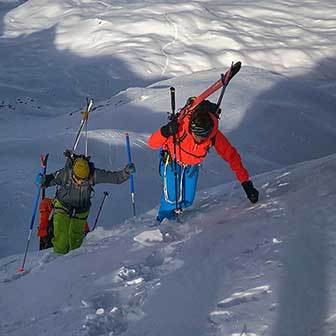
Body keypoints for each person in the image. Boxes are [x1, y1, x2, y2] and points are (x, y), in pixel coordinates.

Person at [147, 99, 259, 224]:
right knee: (172, 197)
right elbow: (152, 143)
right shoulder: (180, 127)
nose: (200, 139)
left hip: (192, 166)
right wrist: (165, 131)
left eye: (204, 136)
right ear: (191, 128)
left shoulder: (213, 135)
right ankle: (163, 222)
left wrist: (246, 183)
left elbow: (231, 156)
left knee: (187, 200)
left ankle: (175, 217)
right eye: (197, 135)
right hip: (172, 160)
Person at [39, 150, 135, 254]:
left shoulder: (93, 174)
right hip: (63, 205)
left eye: (83, 180)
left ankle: (73, 261)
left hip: (81, 209)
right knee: (61, 238)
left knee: (76, 240)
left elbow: (114, 178)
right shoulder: (65, 173)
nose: (80, 182)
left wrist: (126, 172)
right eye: (77, 179)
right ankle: (58, 259)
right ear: (73, 173)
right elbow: (50, 179)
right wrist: (43, 180)